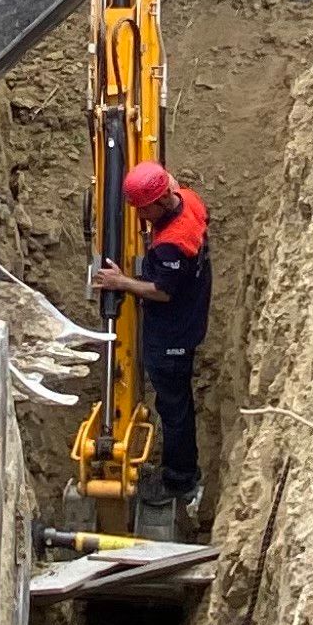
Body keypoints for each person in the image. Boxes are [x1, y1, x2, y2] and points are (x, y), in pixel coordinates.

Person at [87, 162, 211, 520]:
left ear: (161, 200)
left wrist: (121, 283)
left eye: (143, 209)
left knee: (173, 407)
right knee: (177, 401)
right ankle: (182, 472)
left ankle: (180, 479)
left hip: (174, 331)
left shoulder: (172, 245)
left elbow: (162, 292)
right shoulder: (189, 199)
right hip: (188, 317)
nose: (139, 216)